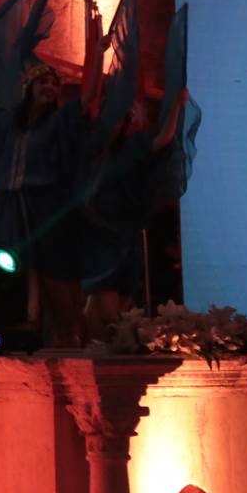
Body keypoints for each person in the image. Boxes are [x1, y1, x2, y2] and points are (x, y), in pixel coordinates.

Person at [0, 53, 100, 347]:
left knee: (52, 274)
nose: (50, 87)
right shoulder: (6, 122)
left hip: (44, 208)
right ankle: (21, 332)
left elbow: (89, 97)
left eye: (54, 84)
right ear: (29, 87)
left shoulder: (57, 121)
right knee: (12, 272)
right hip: (8, 210)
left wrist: (98, 56)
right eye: (43, 82)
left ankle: (66, 337)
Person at [82, 90, 191, 325]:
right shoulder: (93, 153)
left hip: (126, 236)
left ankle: (91, 340)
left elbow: (162, 140)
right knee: (106, 304)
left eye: (119, 118)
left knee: (114, 304)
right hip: (101, 238)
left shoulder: (131, 148)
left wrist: (176, 107)